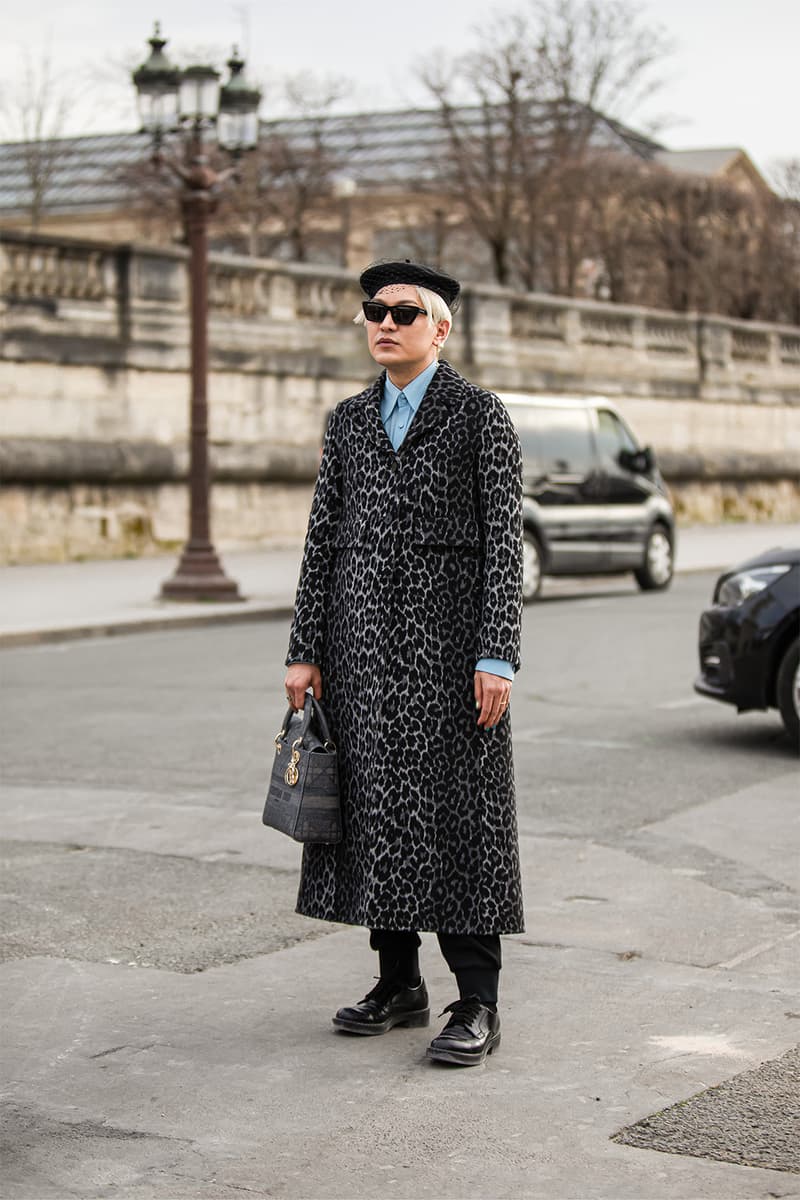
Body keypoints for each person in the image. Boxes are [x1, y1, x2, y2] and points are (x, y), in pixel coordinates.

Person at [284, 259, 524, 1067]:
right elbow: (322, 537)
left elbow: (503, 544)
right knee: (376, 817)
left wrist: (497, 655)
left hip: (453, 657)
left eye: (403, 313)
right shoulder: (348, 421)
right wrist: (304, 650)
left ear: (441, 329)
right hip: (356, 655)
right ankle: (400, 983)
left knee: (462, 822)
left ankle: (478, 1002)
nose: (384, 322)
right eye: (373, 311)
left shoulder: (480, 416)